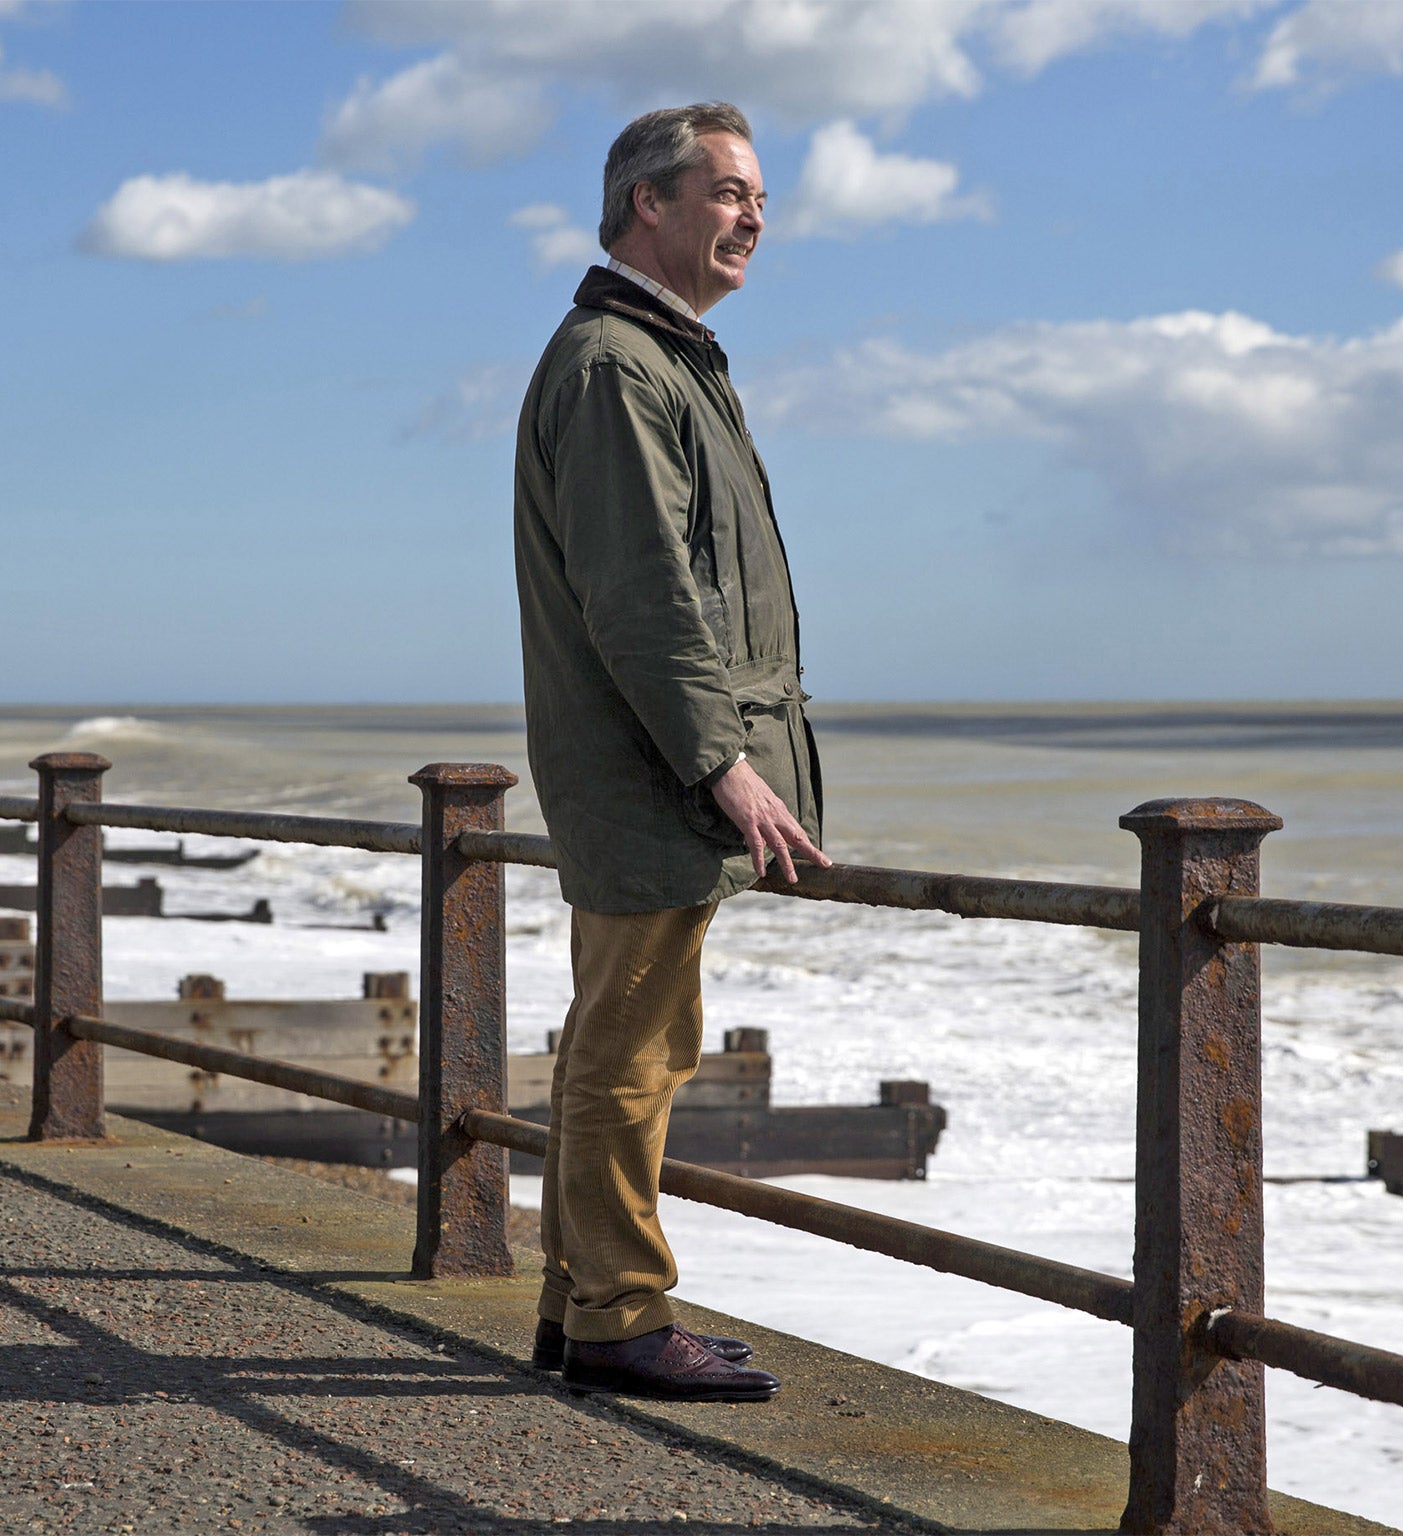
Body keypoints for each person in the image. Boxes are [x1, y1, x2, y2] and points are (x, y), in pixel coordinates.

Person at [512, 103, 828, 1402]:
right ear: (649, 202)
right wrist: (721, 763)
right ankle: (620, 1315)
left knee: (630, 1040)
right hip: (652, 769)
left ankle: (582, 1301)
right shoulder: (617, 366)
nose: (755, 215)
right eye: (730, 192)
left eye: (761, 196)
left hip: (651, 764)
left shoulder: (665, 358)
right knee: (632, 1053)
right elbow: (644, 596)